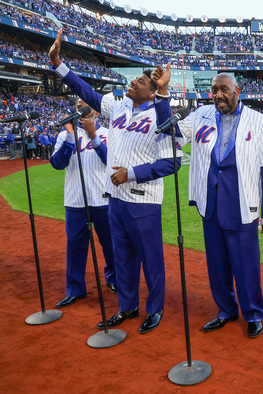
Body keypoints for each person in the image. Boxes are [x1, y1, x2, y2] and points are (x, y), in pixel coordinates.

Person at [49, 28, 180, 334]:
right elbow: (85, 90)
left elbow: (172, 162)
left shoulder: (160, 115)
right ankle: (127, 307)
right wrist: (58, 63)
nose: (133, 82)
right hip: (115, 198)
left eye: (141, 82)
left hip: (143, 200)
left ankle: (155, 309)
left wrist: (130, 173)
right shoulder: (118, 106)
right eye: (135, 79)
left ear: (152, 91)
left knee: (151, 259)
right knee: (122, 258)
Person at [172, 73, 263, 339]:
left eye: (224, 89)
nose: (218, 94)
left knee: (246, 267)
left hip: (242, 206)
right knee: (217, 264)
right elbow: (174, 131)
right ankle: (226, 310)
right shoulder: (201, 115)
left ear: (237, 90)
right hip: (210, 205)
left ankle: (253, 314)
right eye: (214, 90)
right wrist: (163, 94)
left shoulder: (259, 121)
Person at [50, 99, 118, 308]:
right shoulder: (65, 135)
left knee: (110, 245)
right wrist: (71, 137)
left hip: (103, 199)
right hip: (75, 200)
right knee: (75, 247)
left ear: (96, 111)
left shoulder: (108, 133)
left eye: (86, 104)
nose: (81, 108)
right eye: (78, 105)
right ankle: (75, 289)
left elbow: (110, 161)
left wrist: (93, 135)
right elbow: (57, 164)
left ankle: (114, 279)